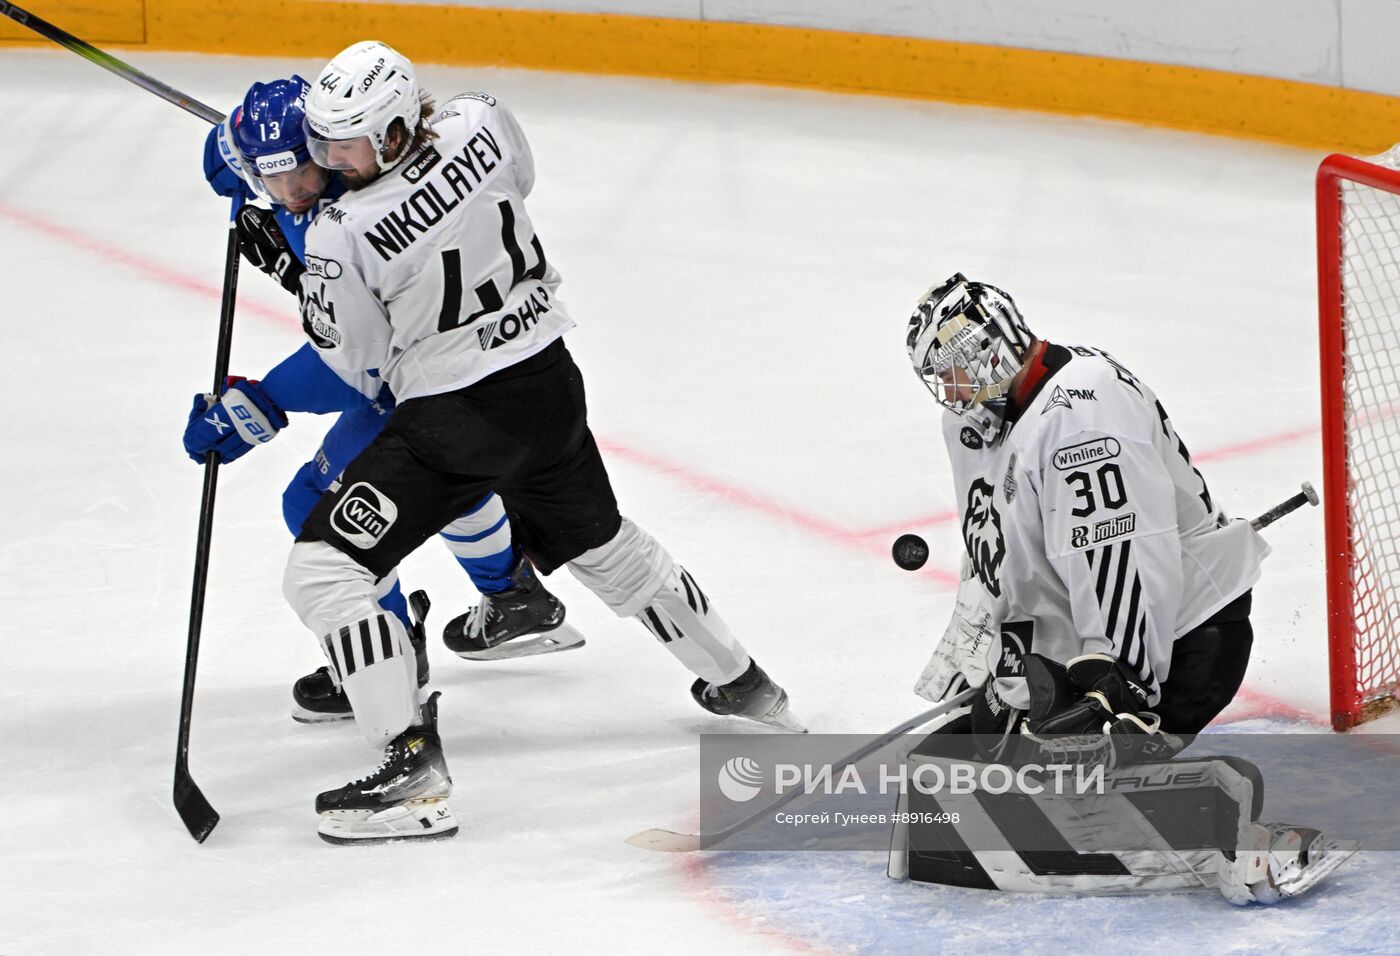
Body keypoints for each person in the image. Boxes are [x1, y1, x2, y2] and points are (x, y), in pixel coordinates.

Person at [278, 40, 804, 844]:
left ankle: (410, 768)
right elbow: (513, 188)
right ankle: (745, 685)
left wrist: (304, 260)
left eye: (343, 144)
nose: (327, 159)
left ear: (389, 133)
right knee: (603, 542)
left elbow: (361, 365)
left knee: (325, 570)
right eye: (319, 144)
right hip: (548, 384)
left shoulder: (340, 231)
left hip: (453, 423)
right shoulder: (480, 119)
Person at [888, 273, 1356, 903]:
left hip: (1179, 641)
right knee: (933, 786)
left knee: (1046, 781)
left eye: (956, 372)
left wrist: (1122, 687)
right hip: (1077, 647)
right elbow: (992, 549)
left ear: (993, 351)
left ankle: (1244, 843)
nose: (950, 394)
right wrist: (986, 663)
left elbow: (1126, 565)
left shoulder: (1081, 417)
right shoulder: (981, 419)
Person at [185, 77, 583, 724]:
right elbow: (295, 178)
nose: (290, 193)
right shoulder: (354, 173)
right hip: (483, 372)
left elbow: (359, 369)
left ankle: (390, 661)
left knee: (312, 504)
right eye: (271, 180)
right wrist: (239, 149)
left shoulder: (348, 221)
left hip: (428, 381)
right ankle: (512, 593)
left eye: (300, 172)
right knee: (453, 475)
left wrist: (264, 403)